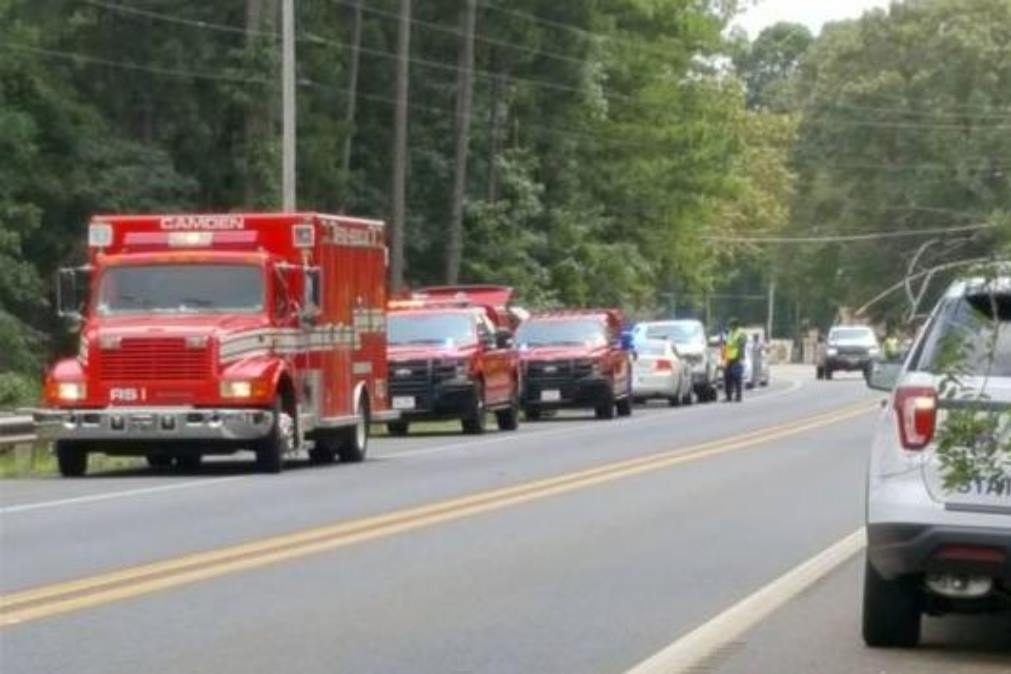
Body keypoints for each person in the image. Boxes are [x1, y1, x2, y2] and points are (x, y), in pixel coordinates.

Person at [722, 318, 747, 403]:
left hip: (737, 357)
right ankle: (728, 396)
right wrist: (724, 357)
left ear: (735, 325)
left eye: (731, 325)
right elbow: (726, 345)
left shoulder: (740, 333)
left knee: (737, 377)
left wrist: (741, 356)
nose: (730, 327)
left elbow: (742, 345)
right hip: (729, 358)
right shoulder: (730, 333)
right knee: (727, 377)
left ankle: (738, 396)